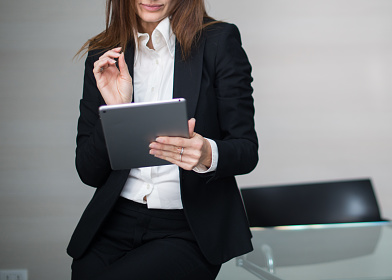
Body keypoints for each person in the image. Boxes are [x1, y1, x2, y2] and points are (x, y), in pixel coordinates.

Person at [68, 0, 258, 279]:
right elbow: (88, 171)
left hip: (186, 228)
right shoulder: (103, 53)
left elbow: (246, 149)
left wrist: (207, 154)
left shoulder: (219, 41)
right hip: (113, 220)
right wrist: (115, 112)